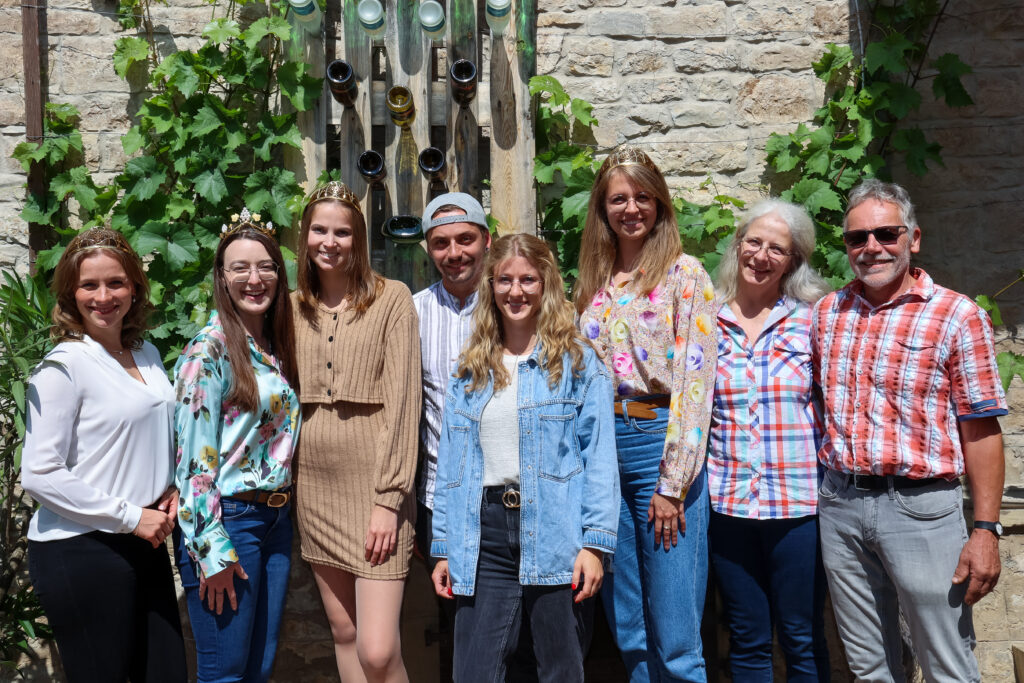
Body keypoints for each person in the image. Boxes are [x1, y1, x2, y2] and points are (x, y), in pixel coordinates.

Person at [812, 179, 1007, 682]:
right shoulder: (828, 313)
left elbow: (981, 428)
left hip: (922, 512)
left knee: (946, 664)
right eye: (858, 238)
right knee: (870, 667)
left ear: (913, 238)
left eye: (886, 233)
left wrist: (985, 530)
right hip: (841, 507)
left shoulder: (957, 315)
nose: (872, 247)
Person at [430, 233, 619, 682]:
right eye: (505, 280)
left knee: (559, 670)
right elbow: (450, 464)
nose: (516, 291)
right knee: (474, 673)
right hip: (485, 538)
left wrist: (594, 545)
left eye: (528, 279)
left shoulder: (578, 362)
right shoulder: (471, 370)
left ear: (546, 283)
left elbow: (599, 459)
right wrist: (443, 548)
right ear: (490, 286)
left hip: (557, 531)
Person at [574, 145, 717, 682]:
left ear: (659, 204)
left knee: (677, 636)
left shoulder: (685, 275)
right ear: (602, 208)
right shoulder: (593, 280)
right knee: (628, 629)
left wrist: (673, 484)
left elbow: (695, 387)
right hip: (605, 453)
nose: (630, 208)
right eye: (617, 199)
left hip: (661, 443)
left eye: (641, 197)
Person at [22, 227, 187, 682]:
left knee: (165, 672)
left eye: (115, 282)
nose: (103, 296)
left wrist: (168, 485)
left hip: (144, 540)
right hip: (81, 547)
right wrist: (131, 516)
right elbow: (39, 474)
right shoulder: (63, 366)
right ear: (70, 294)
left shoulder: (146, 352)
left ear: (134, 287)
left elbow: (149, 433)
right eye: (88, 285)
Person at [291, 181, 421, 683]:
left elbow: (405, 404)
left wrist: (389, 501)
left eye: (342, 232)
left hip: (374, 490)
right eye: (320, 230)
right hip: (316, 491)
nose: (330, 241)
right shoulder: (293, 305)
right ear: (305, 237)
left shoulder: (392, 300)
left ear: (359, 240)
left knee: (377, 649)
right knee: (344, 633)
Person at [173, 209, 301, 683]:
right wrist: (211, 550)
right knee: (225, 671)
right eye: (240, 268)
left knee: (258, 669)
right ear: (222, 279)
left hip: (274, 522)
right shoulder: (207, 352)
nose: (255, 279)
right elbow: (192, 462)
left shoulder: (272, 345)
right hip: (229, 524)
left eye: (266, 266)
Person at [707, 200, 831, 681]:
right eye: (752, 242)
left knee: (801, 635)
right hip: (729, 503)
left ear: (794, 260)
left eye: (776, 248)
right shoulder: (706, 320)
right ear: (737, 244)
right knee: (746, 634)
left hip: (798, 506)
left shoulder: (814, 319)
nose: (760, 255)